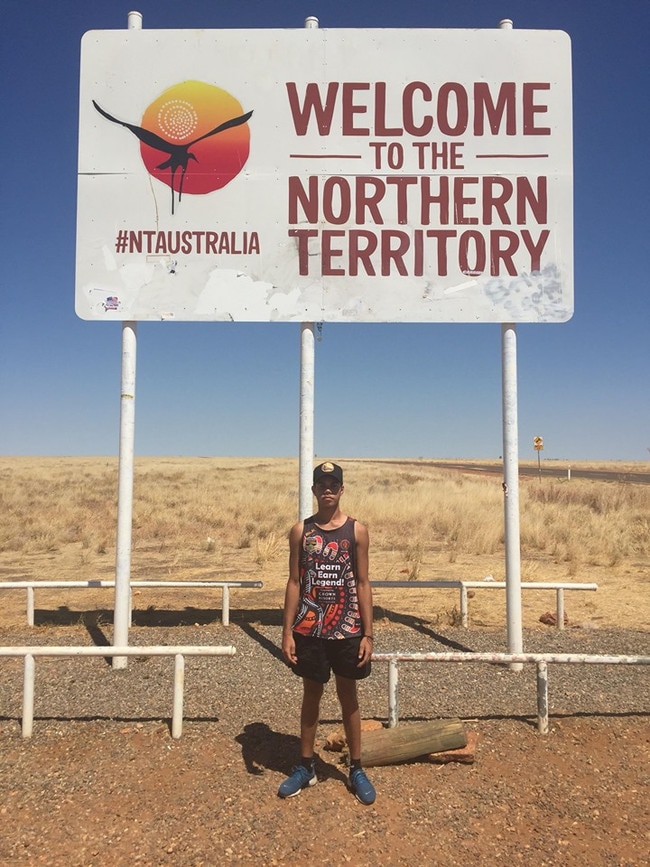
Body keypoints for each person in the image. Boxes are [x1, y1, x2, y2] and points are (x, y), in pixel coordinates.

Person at [278, 461, 376, 805]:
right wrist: (287, 631)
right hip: (310, 629)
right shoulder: (301, 532)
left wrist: (368, 633)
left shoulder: (357, 531)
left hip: (347, 629)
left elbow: (363, 583)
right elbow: (293, 581)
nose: (328, 489)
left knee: (348, 696)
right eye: (322, 484)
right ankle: (305, 766)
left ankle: (357, 768)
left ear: (342, 489)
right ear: (314, 490)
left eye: (334, 484)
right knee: (311, 694)